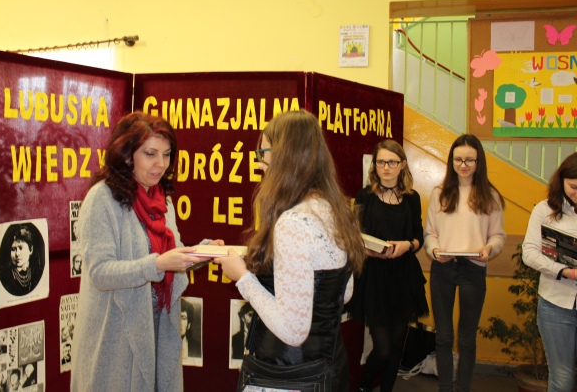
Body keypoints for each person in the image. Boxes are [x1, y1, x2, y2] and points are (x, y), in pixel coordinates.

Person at [71, 111, 221, 392]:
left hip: (157, 328)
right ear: (126, 155)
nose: (160, 164)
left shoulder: (163, 200)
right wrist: (158, 264)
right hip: (115, 338)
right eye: (150, 154)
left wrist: (201, 253)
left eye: (166, 154)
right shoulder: (101, 199)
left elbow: (172, 256)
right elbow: (100, 272)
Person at [216, 110, 366, 391]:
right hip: (329, 369)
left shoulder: (293, 223)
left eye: (263, 153)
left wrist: (243, 277)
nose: (260, 163)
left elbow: (292, 331)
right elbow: (343, 293)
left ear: (285, 155)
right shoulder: (335, 211)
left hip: (289, 376)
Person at [424, 134, 506, 392]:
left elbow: (498, 236)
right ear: (451, 161)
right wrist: (435, 250)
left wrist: (489, 249)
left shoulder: (490, 196)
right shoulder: (439, 193)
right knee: (444, 336)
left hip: (473, 269)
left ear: (479, 162)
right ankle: (445, 388)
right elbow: (430, 233)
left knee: (467, 339)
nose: (463, 165)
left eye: (470, 160)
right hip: (443, 267)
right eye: (458, 159)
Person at [349, 140, 428, 392]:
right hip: (374, 278)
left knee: (396, 347)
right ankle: (363, 387)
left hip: (404, 277)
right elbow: (354, 237)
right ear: (375, 165)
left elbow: (418, 236)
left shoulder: (412, 198)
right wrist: (368, 249)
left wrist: (408, 245)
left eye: (392, 162)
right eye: (381, 162)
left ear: (402, 165)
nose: (386, 167)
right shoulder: (365, 196)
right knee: (382, 348)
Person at [522, 152, 577, 392]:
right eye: (573, 187)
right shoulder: (544, 210)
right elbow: (529, 253)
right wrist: (564, 271)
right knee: (562, 378)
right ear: (561, 181)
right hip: (555, 303)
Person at [0, 223, 45, 296]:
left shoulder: (38, 272)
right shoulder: (4, 276)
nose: (17, 254)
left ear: (30, 249)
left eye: (20, 248)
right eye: (13, 249)